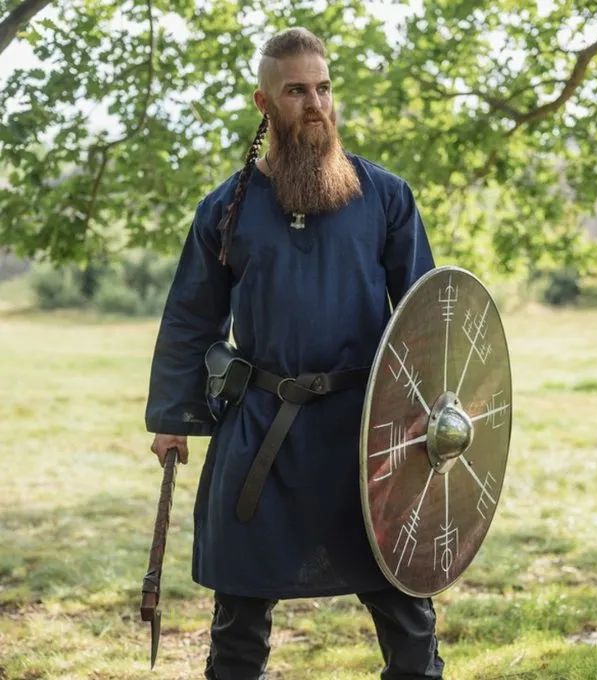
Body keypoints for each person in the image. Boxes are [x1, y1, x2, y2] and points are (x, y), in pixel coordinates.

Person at [145, 27, 445, 680]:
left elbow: (424, 316)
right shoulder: (226, 209)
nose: (315, 104)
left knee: (405, 611)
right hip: (262, 428)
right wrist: (173, 418)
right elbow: (191, 316)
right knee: (239, 613)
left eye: (324, 88)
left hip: (366, 431)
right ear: (264, 103)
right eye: (297, 91)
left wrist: (431, 409)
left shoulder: (384, 196)